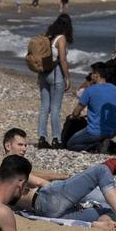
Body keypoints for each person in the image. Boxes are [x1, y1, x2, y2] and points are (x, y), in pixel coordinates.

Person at [37, 14, 72, 149]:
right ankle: (56, 138)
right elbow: (62, 59)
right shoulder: (61, 39)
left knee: (44, 106)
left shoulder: (49, 36)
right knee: (55, 108)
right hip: (55, 74)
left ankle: (41, 137)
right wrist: (67, 77)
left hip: (42, 74)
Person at [65, 63, 116, 153]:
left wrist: (75, 116)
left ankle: (95, 146)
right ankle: (105, 143)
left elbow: (76, 112)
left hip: (95, 132)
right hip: (113, 130)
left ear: (96, 75)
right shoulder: (114, 88)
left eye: (91, 73)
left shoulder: (90, 90)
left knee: (71, 144)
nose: (90, 75)